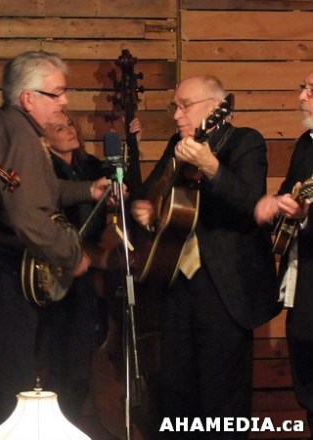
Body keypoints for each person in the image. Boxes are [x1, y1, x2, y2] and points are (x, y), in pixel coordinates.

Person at [0, 51, 110, 439]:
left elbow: (38, 189)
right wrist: (71, 255)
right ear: (27, 97)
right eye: (56, 93)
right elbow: (25, 213)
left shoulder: (11, 127)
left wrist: (87, 189)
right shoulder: (17, 133)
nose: (64, 101)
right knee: (1, 387)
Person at [130, 75, 280, 438]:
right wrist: (147, 208)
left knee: (223, 399)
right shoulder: (176, 145)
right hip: (176, 283)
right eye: (175, 107)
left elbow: (251, 202)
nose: (176, 115)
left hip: (224, 289)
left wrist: (212, 166)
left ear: (215, 108)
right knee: (176, 391)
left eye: (185, 106)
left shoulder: (245, 141)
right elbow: (149, 193)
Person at [37, 111, 142, 421]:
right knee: (59, 359)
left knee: (84, 357)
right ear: (46, 140)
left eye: (70, 123)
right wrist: (97, 257)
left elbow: (125, 188)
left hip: (90, 275)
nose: (70, 130)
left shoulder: (91, 165)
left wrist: (133, 146)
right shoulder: (45, 172)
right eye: (59, 128)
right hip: (58, 274)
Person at [254, 70, 313, 433]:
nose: (301, 97)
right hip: (301, 285)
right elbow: (293, 191)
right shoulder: (306, 143)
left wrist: (306, 215)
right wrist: (276, 204)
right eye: (302, 87)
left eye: (311, 90)